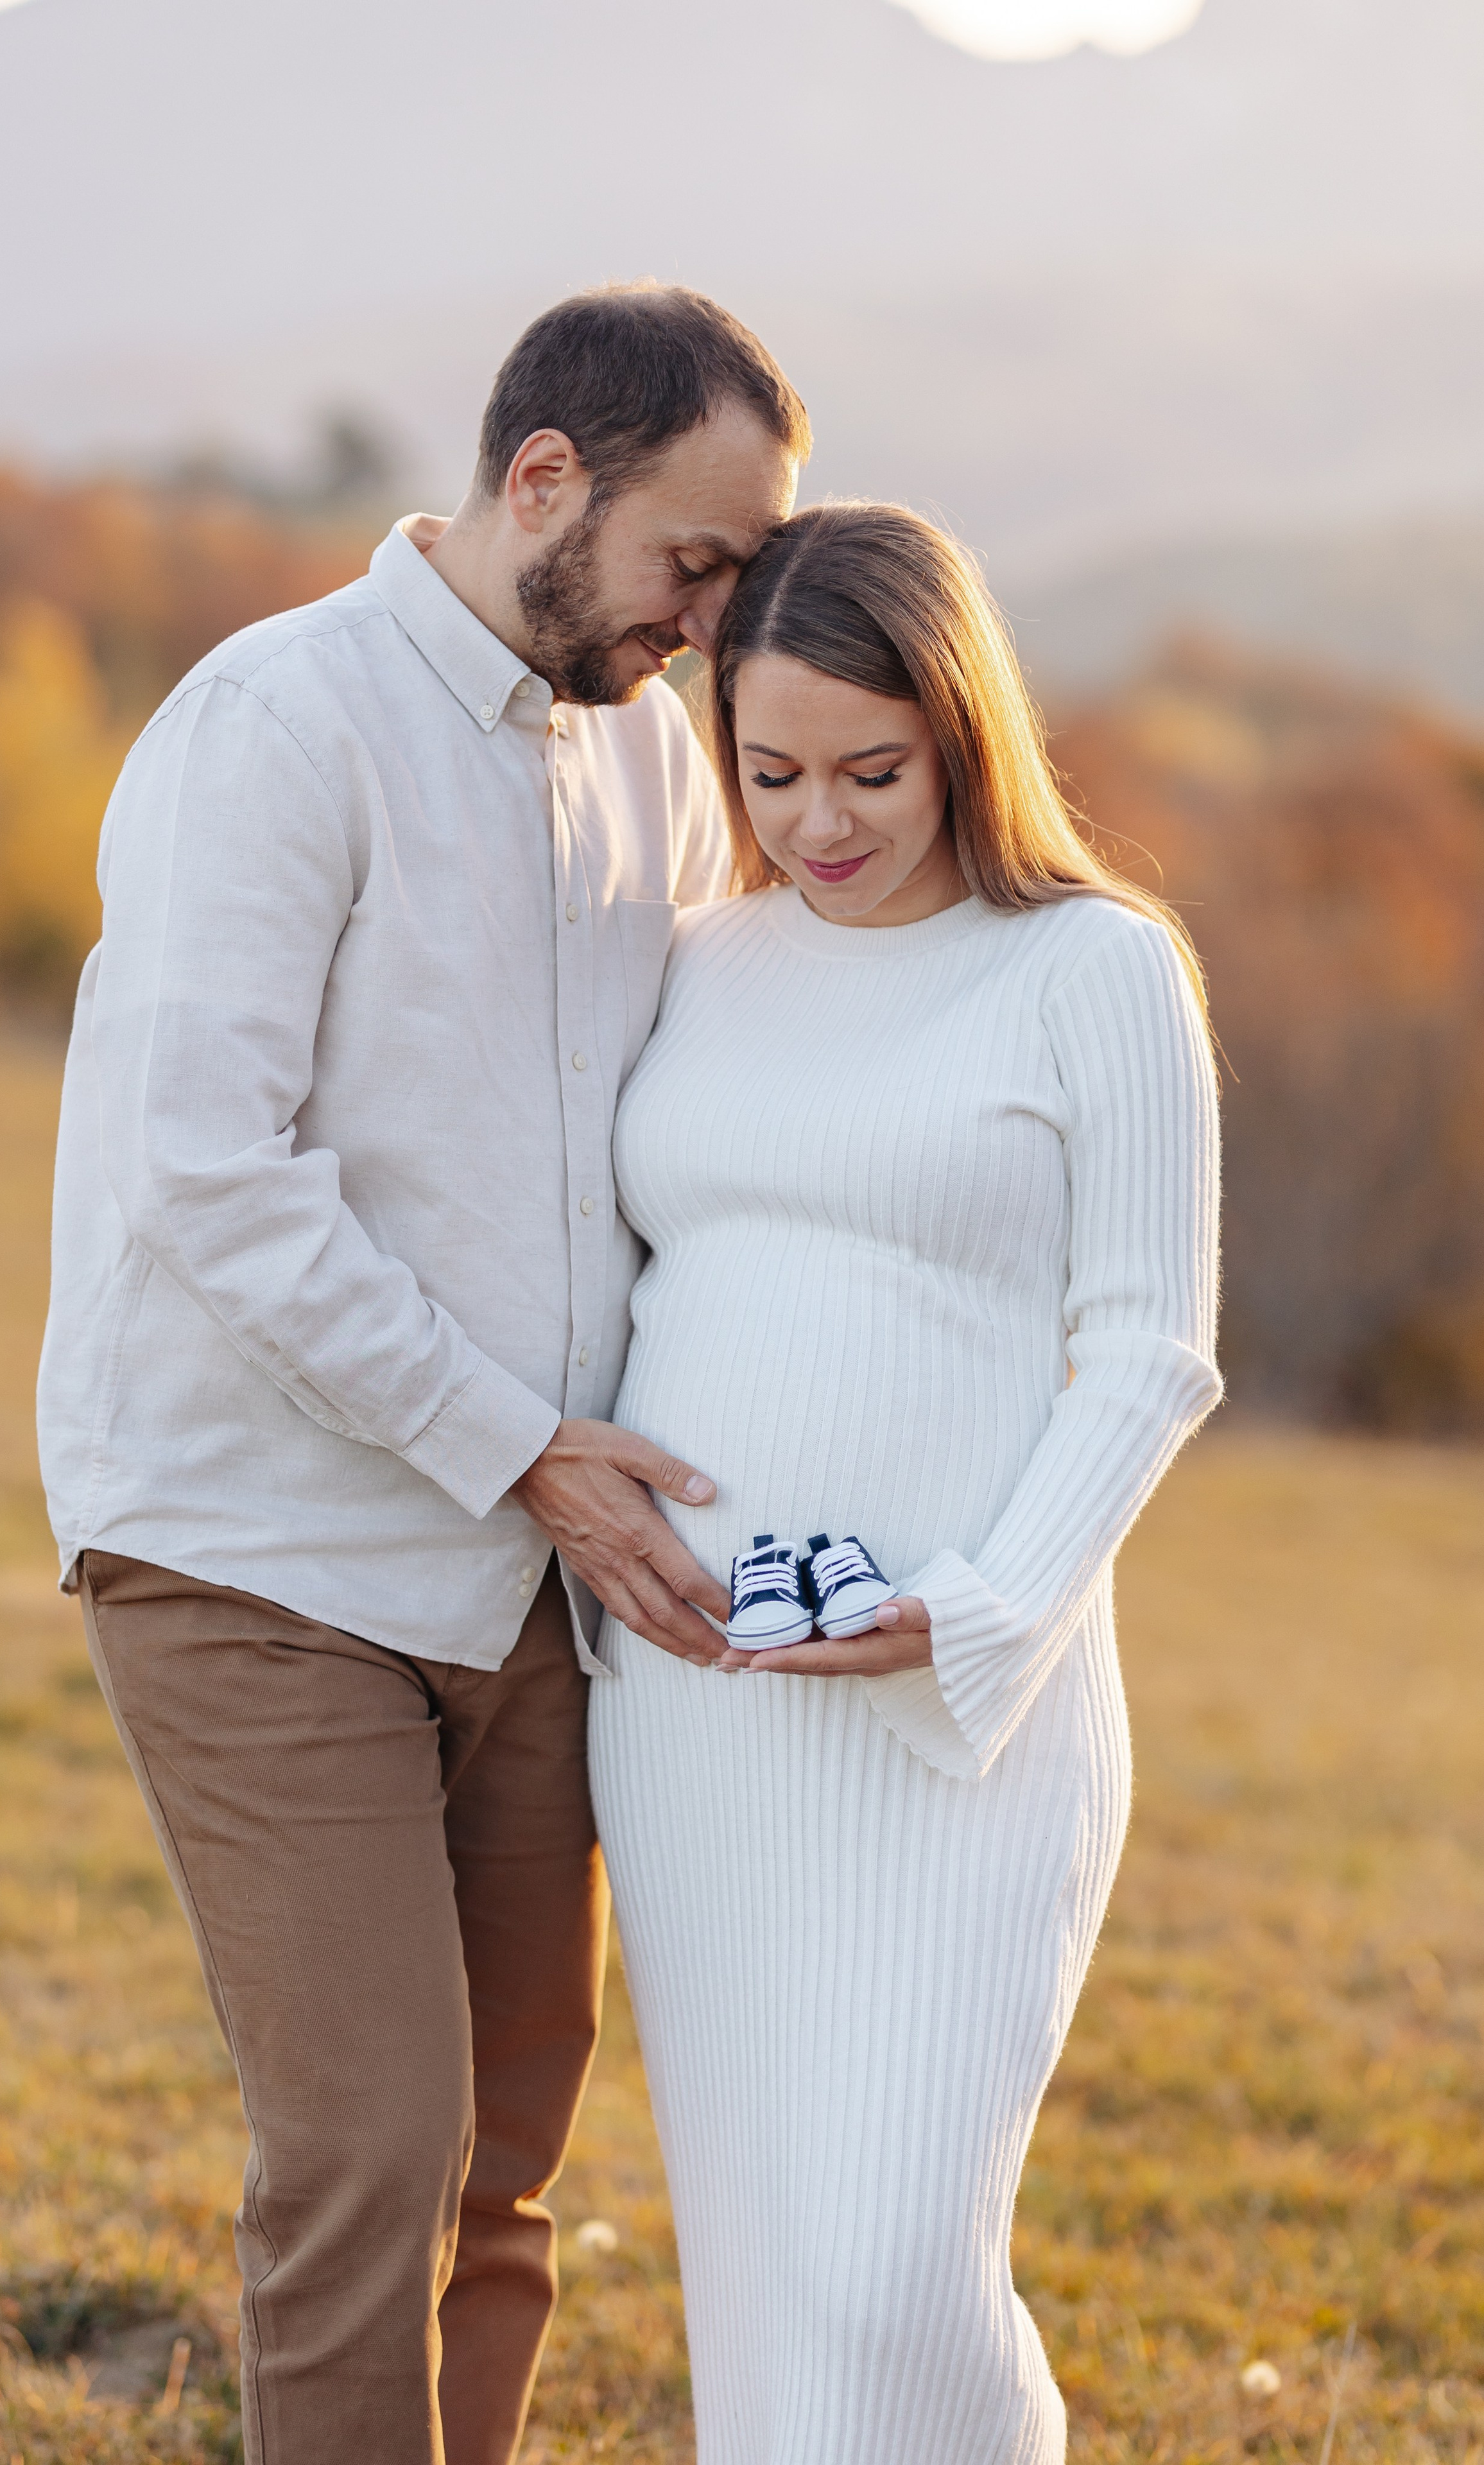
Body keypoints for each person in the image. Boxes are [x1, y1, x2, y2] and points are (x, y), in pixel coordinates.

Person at [35, 284, 807, 2465]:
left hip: (527, 1582)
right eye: (695, 558)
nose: (715, 614)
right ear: (543, 481)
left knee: (505, 2159)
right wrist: (525, 1451)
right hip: (255, 1539)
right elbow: (210, 1172)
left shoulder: (648, 748)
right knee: (372, 2147)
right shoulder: (275, 723)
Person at [588, 501, 1222, 2465]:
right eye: (771, 773)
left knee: (894, 2274)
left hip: (967, 1720)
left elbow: (1149, 1351)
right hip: (702, 1715)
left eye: (874, 770)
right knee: (773, 2277)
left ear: (964, 730)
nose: (821, 823)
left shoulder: (1091, 970)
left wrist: (987, 1607)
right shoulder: (696, 960)